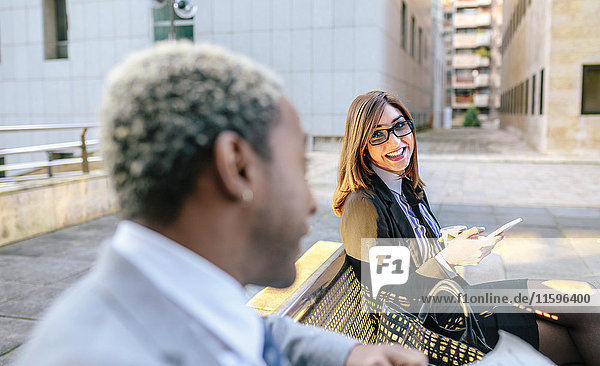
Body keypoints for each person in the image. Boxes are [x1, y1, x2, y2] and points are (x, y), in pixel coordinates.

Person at [14, 45, 427, 366]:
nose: (309, 203)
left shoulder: (182, 297)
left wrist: (350, 354)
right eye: (297, 168)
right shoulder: (93, 355)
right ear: (236, 167)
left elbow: (254, 330)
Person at [332, 90, 600, 365]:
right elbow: (392, 297)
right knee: (577, 333)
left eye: (400, 126)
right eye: (378, 134)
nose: (396, 140)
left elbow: (414, 254)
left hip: (456, 301)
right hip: (443, 328)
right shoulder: (364, 204)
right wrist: (448, 259)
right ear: (361, 144)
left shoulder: (405, 188)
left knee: (583, 296)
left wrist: (448, 241)